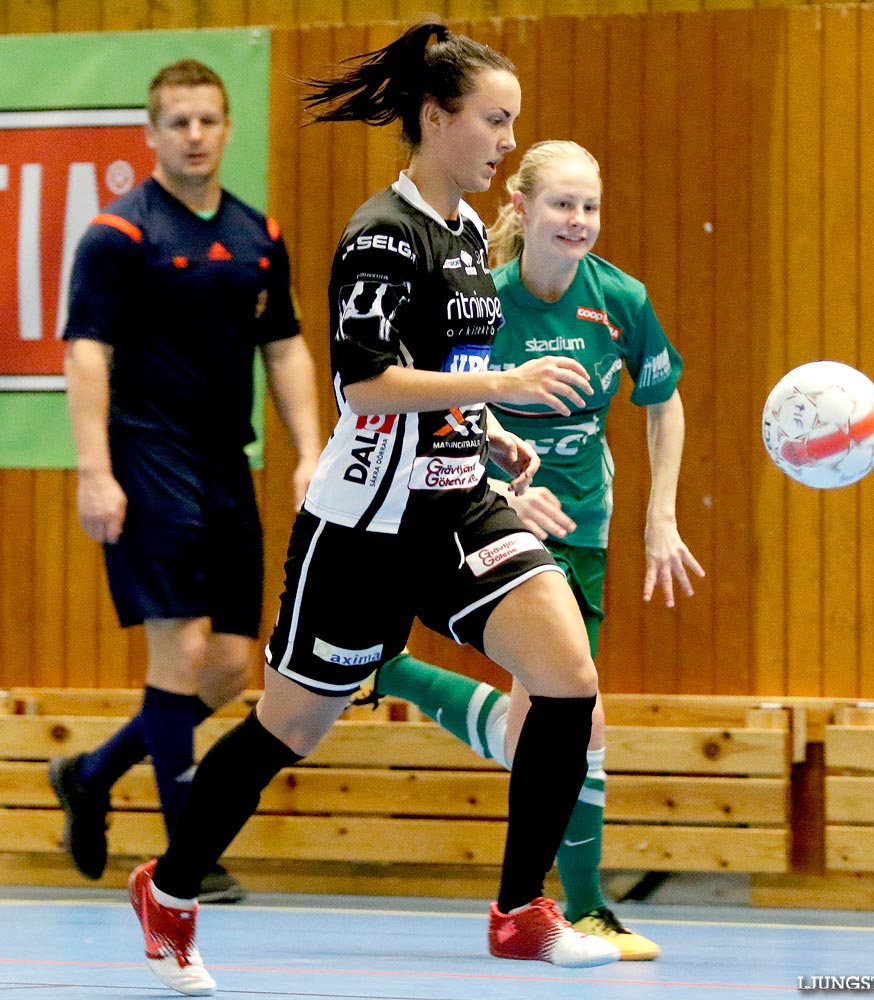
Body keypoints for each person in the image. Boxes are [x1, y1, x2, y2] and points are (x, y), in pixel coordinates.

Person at [127, 23, 621, 996]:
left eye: (511, 123)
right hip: (360, 531)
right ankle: (170, 887)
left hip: (455, 507)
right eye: (492, 121)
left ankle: (520, 911)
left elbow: (450, 375)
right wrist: (511, 380)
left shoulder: (472, 231)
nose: (504, 143)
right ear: (434, 120)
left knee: (566, 675)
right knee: (287, 729)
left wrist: (485, 430)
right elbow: (363, 383)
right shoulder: (381, 236)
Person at [363, 139, 704, 960]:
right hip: (478, 516)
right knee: (571, 714)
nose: (578, 221)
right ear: (521, 207)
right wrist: (508, 488)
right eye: (561, 205)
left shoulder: (618, 299)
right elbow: (440, 410)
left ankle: (393, 673)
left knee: (546, 727)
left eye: (589, 206)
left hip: (578, 530)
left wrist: (660, 515)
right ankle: (579, 909)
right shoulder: (482, 300)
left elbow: (663, 402)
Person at [51, 59, 322, 907]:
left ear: (227, 127)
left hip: (223, 465)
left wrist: (311, 450)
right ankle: (185, 861)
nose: (195, 136)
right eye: (178, 122)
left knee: (232, 669)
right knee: (182, 651)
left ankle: (91, 775)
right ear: (152, 133)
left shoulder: (257, 235)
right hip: (145, 458)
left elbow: (284, 348)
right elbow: (85, 354)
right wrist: (95, 472)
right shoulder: (119, 235)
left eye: (208, 120)